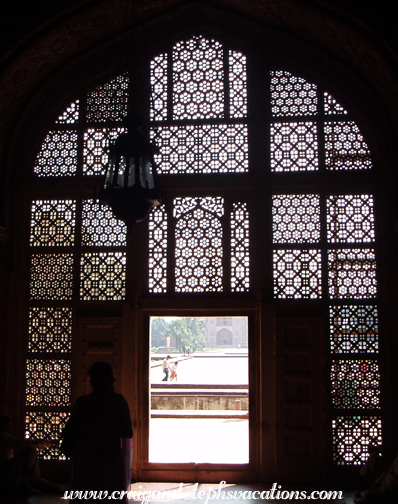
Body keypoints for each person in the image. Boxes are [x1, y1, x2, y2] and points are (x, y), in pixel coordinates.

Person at [61, 362, 133, 503]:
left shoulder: (83, 402)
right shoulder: (118, 402)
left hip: (86, 462)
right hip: (110, 463)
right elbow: (127, 432)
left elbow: (69, 431)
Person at [0, 415, 60, 497]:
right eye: (8, 426)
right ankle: (27, 483)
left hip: (7, 471)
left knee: (43, 483)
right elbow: (22, 443)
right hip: (5, 472)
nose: (10, 429)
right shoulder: (2, 437)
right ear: (2, 427)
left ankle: (34, 482)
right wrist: (49, 443)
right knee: (30, 450)